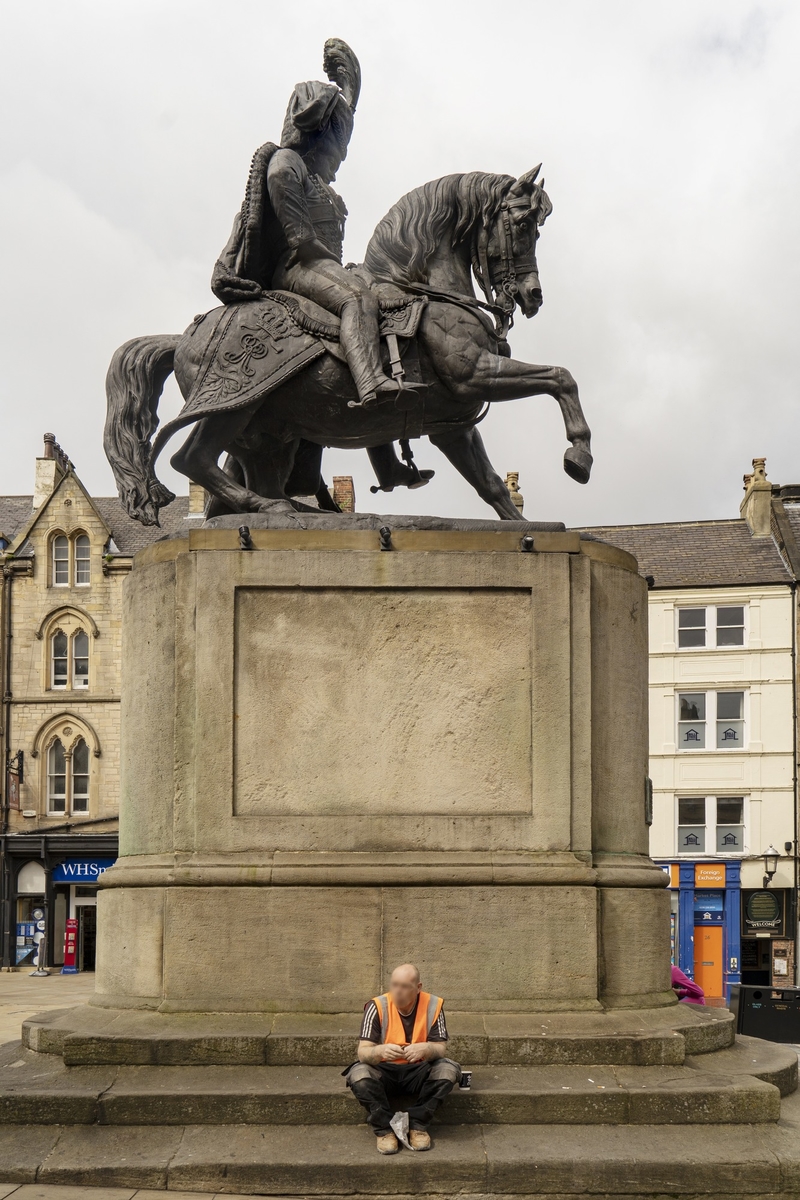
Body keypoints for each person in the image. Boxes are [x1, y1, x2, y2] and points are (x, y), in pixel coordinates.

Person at [345, 963, 462, 1155]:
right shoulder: (377, 1006)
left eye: (405, 986)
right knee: (358, 1073)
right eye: (394, 985)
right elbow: (363, 1053)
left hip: (418, 1070)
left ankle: (418, 1125)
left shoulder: (433, 1005)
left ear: (418, 987)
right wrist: (380, 1051)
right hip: (384, 1071)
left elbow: (441, 1049)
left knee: (448, 1069)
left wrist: (427, 1048)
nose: (397, 991)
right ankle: (384, 1130)